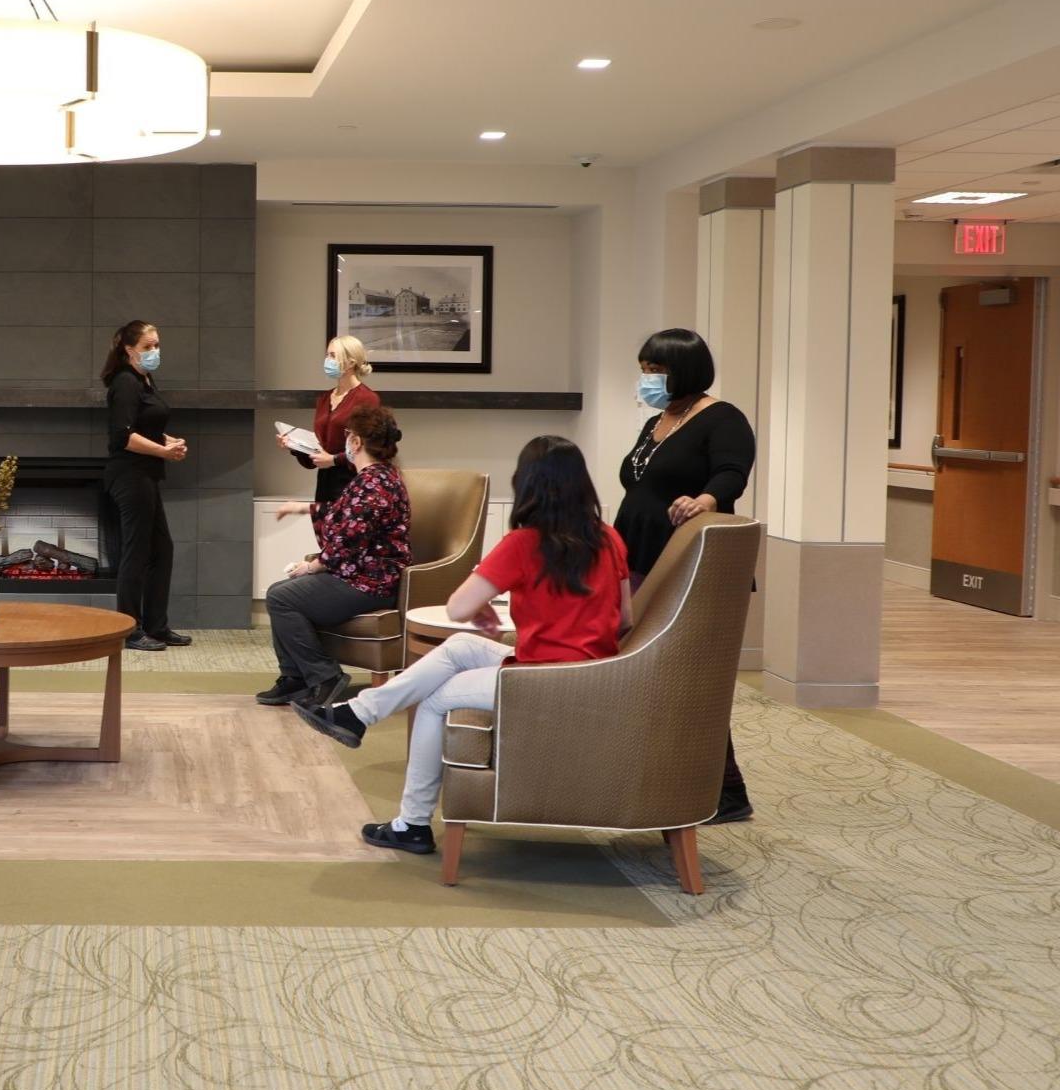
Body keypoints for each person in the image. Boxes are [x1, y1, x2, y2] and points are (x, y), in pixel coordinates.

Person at [294, 435, 633, 854]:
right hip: (597, 674)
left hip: (541, 680)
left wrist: (487, 598)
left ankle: (412, 824)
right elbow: (625, 620)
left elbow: (458, 606)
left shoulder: (525, 543)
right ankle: (358, 713)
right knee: (459, 649)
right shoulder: (609, 538)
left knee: (436, 700)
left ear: (525, 484)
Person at [614, 328, 757, 824]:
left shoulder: (722, 418)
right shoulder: (659, 419)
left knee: (688, 676)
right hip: (637, 559)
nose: (648, 378)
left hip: (685, 563)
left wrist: (706, 500)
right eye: (645, 369)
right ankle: (656, 770)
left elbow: (733, 472)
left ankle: (728, 791)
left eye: (656, 369)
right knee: (641, 669)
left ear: (685, 370)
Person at [256, 404, 412, 709]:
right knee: (279, 593)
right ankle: (295, 678)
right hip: (360, 573)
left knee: (281, 598)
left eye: (348, 436)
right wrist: (303, 508)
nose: (345, 442)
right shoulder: (376, 477)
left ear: (356, 443)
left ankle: (324, 676)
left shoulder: (374, 484)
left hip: (370, 582)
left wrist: (313, 566)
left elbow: (349, 537)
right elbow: (344, 514)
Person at [101, 321, 189, 652]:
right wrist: (164, 451)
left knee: (161, 550)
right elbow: (123, 436)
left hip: (147, 475)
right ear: (129, 350)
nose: (155, 351)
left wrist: (170, 443)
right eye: (148, 347)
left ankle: (157, 626)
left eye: (157, 345)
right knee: (135, 553)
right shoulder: (125, 382)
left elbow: (146, 427)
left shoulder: (145, 379)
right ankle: (130, 629)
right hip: (129, 476)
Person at [275, 334, 380, 511]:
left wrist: (333, 460)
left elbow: (372, 450)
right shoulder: (324, 399)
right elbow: (317, 454)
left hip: (355, 486)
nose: (327, 360)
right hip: (325, 486)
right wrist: (295, 446)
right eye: (327, 355)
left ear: (350, 362)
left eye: (332, 355)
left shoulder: (367, 399)